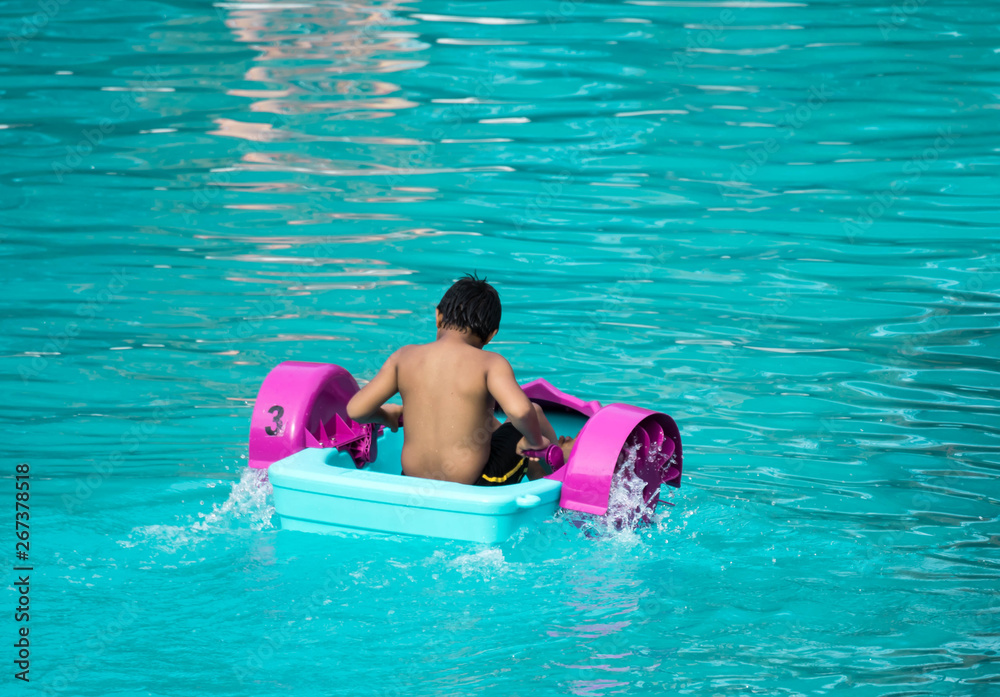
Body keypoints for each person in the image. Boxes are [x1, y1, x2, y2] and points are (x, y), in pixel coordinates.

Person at [346, 274, 574, 485]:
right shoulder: (490, 363)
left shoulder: (403, 357)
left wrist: (385, 416)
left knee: (486, 424)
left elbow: (356, 410)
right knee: (532, 417)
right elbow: (522, 412)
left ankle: (396, 413)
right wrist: (535, 442)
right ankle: (550, 478)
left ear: (438, 315)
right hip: (477, 483)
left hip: (413, 481)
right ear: (491, 334)